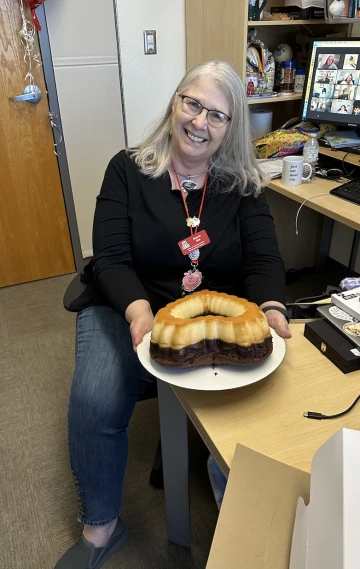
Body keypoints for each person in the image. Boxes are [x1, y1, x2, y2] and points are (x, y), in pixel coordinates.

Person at [55, 60, 291, 569]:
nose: (200, 122)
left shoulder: (243, 183)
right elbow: (111, 257)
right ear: (174, 103)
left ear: (232, 127)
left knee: (269, 393)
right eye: (193, 104)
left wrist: (270, 307)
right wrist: (140, 311)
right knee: (96, 398)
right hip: (129, 303)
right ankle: (101, 528)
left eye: (218, 115)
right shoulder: (129, 167)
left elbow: (264, 259)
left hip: (212, 312)